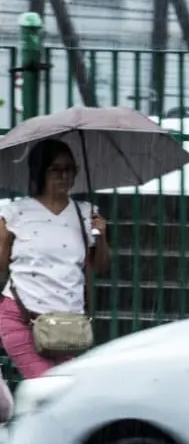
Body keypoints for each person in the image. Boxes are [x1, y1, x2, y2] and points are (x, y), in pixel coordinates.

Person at [0, 139, 110, 382]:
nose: (64, 176)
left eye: (70, 169)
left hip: (68, 326)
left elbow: (100, 266)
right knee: (48, 388)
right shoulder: (15, 213)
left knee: (62, 392)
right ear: (40, 171)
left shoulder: (86, 213)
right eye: (56, 169)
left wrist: (101, 236)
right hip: (23, 319)